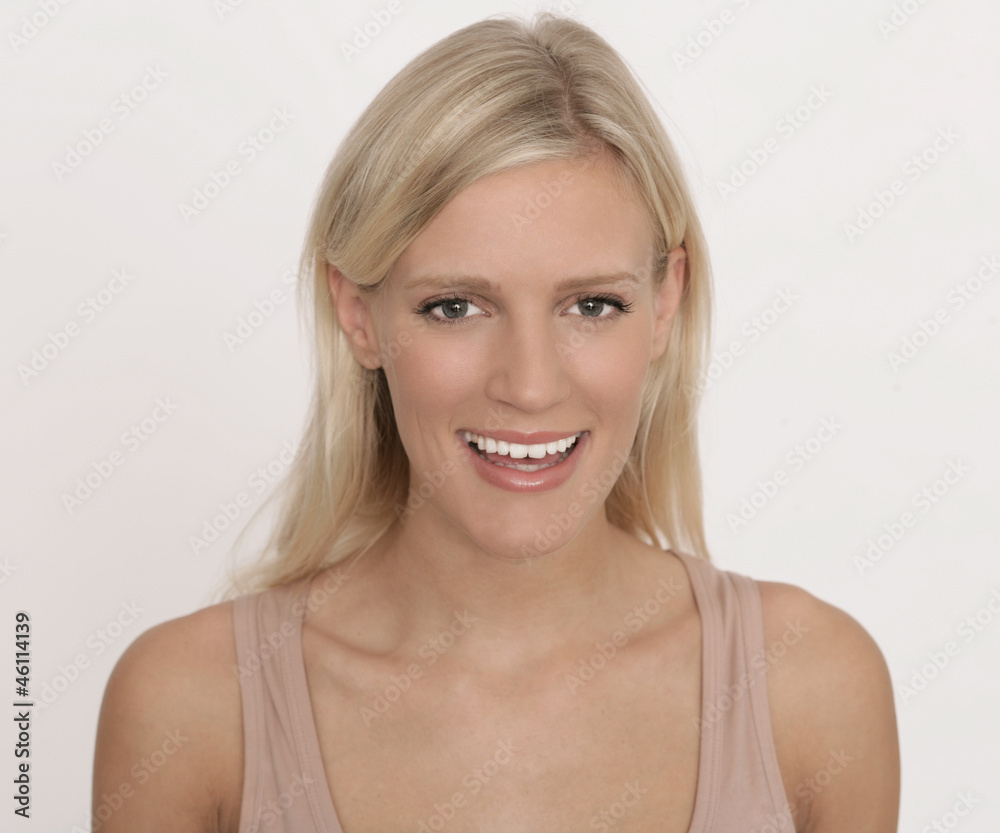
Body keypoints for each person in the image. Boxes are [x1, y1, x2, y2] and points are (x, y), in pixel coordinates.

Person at [92, 13, 900, 832]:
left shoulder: (811, 689)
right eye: (455, 306)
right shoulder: (188, 710)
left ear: (665, 304)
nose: (530, 385)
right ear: (358, 314)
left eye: (592, 305)